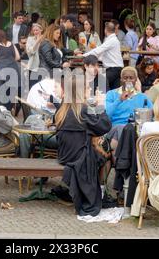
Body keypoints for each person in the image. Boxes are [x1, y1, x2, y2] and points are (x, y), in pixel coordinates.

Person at [55, 74, 113, 215]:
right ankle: (102, 191)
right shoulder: (83, 110)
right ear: (81, 91)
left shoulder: (61, 110)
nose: (89, 90)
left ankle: (98, 189)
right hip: (80, 157)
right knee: (107, 154)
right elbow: (105, 126)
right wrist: (100, 106)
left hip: (64, 155)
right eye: (87, 88)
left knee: (100, 150)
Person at [105, 67, 152, 150]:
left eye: (131, 78)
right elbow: (106, 115)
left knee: (127, 130)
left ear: (135, 80)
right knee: (122, 129)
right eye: (125, 78)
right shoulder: (112, 94)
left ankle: (121, 161)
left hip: (136, 129)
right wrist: (119, 100)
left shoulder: (142, 97)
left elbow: (153, 113)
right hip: (116, 126)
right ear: (121, 80)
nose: (128, 81)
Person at [83, 21, 124, 90]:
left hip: (114, 69)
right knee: (114, 90)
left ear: (105, 30)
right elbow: (103, 54)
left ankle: (102, 98)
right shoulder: (111, 39)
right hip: (116, 68)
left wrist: (83, 55)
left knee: (99, 80)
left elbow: (99, 50)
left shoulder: (112, 40)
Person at [26, 23, 44, 88]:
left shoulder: (45, 39)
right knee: (32, 87)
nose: (35, 32)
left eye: (37, 30)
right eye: (34, 30)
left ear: (41, 30)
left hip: (43, 66)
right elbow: (30, 52)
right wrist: (37, 42)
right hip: (33, 67)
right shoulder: (30, 39)